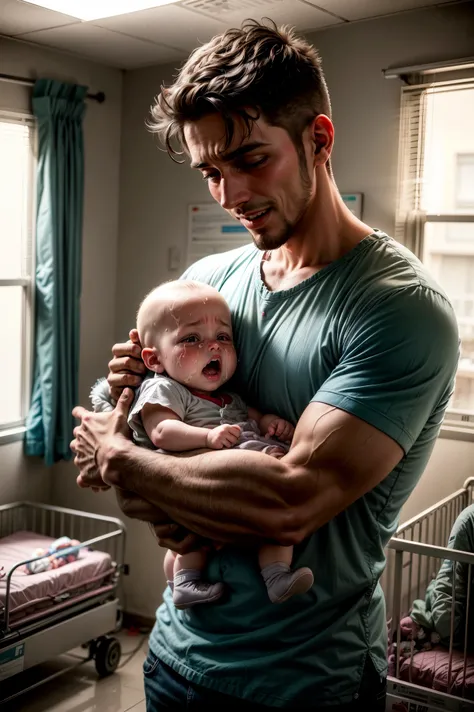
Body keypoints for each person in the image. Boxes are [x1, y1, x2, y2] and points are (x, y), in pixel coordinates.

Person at [71, 19, 459, 711]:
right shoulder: (209, 286)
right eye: (212, 171)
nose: (228, 195)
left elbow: (286, 503)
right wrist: (126, 432)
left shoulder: (400, 310)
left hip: (306, 682)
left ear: (319, 138)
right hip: (172, 657)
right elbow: (140, 474)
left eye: (251, 160)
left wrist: (128, 462)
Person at [91, 279, 314, 609]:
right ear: (153, 360)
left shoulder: (228, 396)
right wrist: (206, 437)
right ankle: (185, 580)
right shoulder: (164, 390)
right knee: (191, 538)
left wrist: (271, 424)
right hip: (193, 483)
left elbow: (252, 417)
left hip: (241, 476)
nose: (213, 348)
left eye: (223, 337)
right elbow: (162, 432)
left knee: (275, 515)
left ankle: (276, 575)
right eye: (192, 339)